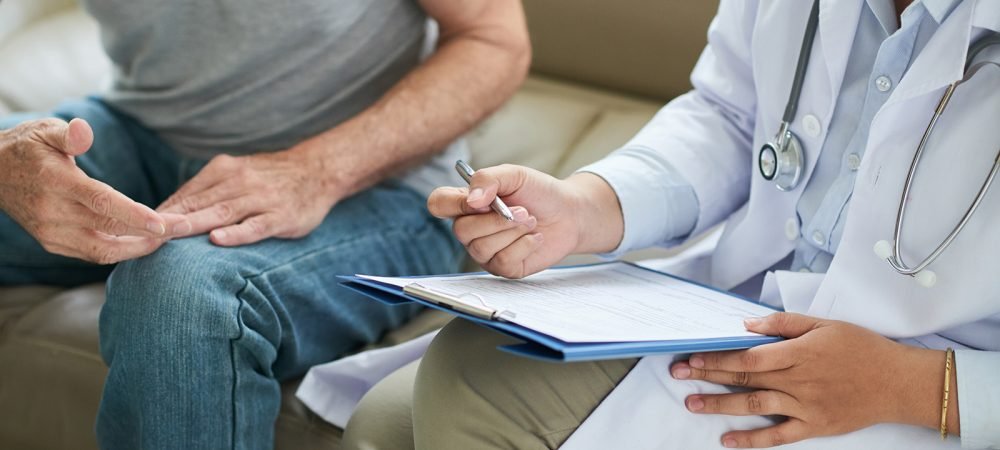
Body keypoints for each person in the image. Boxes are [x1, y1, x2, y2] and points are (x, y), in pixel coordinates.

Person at [342, 0, 1000, 448]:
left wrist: (920, 387)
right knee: (388, 420)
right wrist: (587, 207)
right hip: (742, 310)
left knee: (473, 382)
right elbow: (731, 116)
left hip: (926, 383)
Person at [0, 0, 529, 448]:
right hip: (142, 130)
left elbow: (493, 38)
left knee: (182, 296)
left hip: (372, 182)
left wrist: (317, 170)